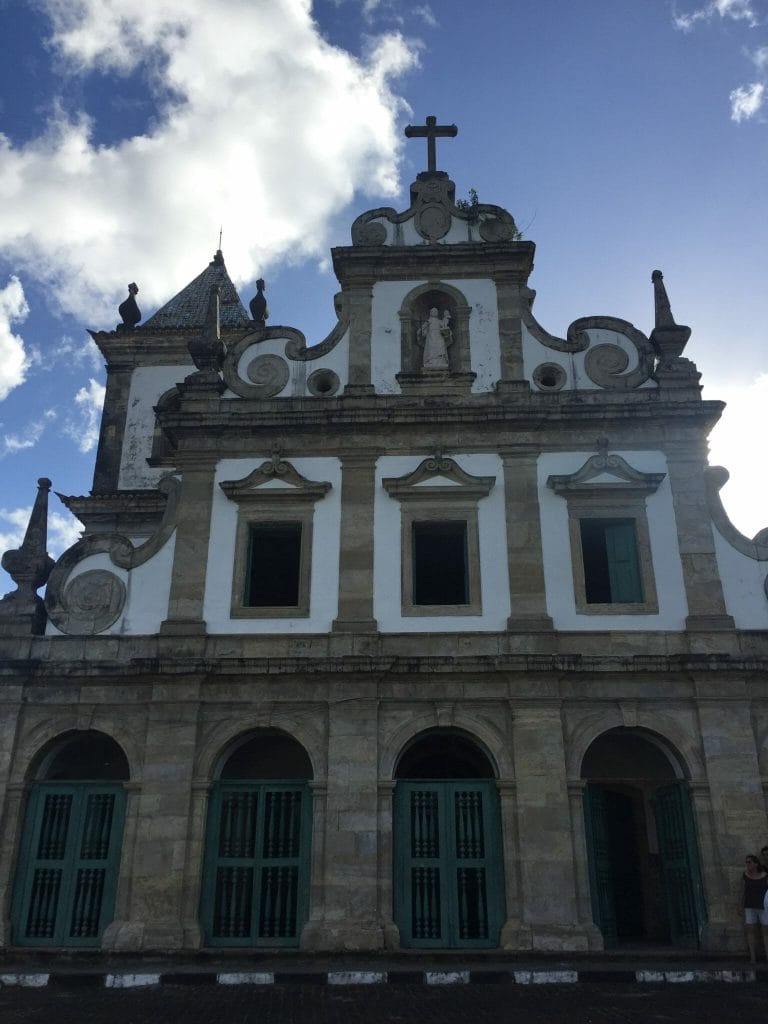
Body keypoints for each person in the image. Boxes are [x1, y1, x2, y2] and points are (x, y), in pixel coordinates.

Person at [742, 854, 768, 963]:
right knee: (750, 931)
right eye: (746, 862)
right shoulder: (745, 875)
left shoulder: (765, 876)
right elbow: (743, 891)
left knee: (765, 932)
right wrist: (740, 905)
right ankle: (753, 957)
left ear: (755, 863)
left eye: (749, 862)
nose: (747, 864)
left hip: (763, 906)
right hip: (749, 905)